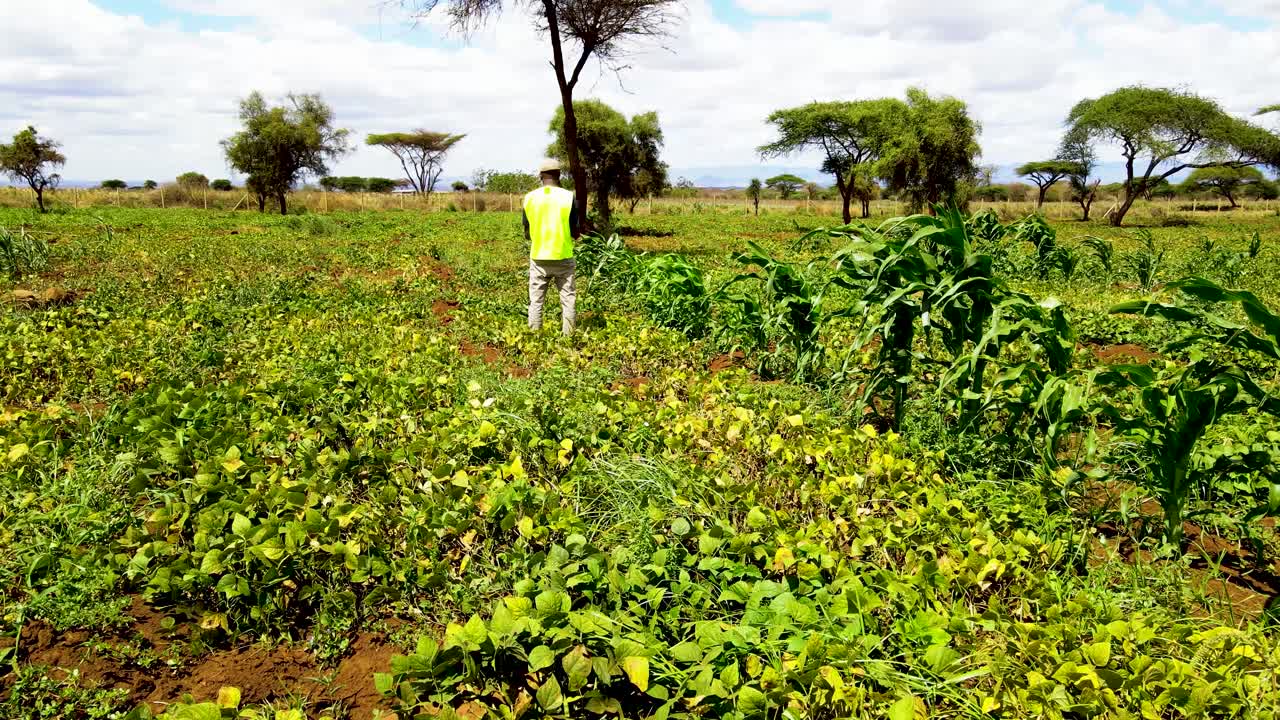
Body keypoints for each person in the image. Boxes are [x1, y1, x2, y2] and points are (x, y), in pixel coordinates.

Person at [522, 159, 581, 335]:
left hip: (539, 257)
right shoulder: (568, 196)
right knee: (568, 299)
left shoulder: (530, 198)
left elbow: (527, 232)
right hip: (563, 256)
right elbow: (575, 231)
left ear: (541, 176)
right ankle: (568, 336)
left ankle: (535, 337)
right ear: (559, 175)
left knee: (536, 300)